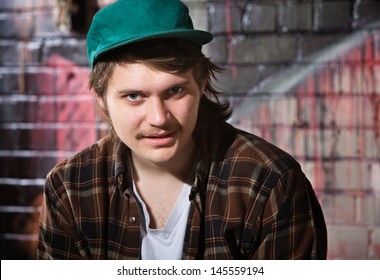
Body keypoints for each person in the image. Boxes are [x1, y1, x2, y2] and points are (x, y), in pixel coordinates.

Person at [37, 0, 327, 260]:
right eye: (134, 96)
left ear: (201, 84)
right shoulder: (69, 188)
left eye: (175, 90)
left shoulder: (271, 183)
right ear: (102, 100)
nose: (159, 118)